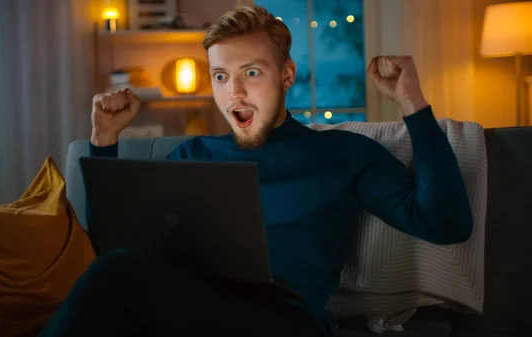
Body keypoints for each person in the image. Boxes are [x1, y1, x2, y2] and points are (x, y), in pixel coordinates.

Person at [39, 4, 473, 337]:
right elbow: (116, 249)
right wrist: (104, 141)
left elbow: (446, 222)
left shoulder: (344, 153)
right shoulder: (193, 157)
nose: (235, 92)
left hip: (289, 323)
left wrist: (412, 103)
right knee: (118, 273)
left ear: (286, 76)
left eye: (251, 72)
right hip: (194, 314)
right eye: (221, 77)